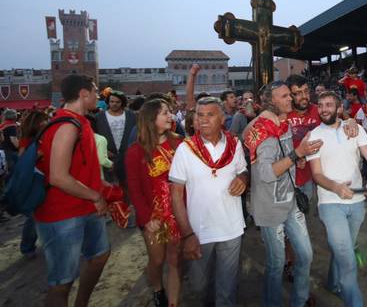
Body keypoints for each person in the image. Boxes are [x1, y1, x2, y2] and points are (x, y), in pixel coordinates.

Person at [34, 74, 109, 307]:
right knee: (62, 282)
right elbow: (58, 176)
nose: (98, 95)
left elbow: (81, 167)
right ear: (83, 94)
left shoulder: (81, 122)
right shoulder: (67, 125)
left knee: (99, 256)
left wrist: (102, 188)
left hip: (84, 207)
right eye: (95, 91)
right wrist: (95, 195)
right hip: (62, 214)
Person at [244, 81, 320, 307]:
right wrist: (297, 153)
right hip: (270, 208)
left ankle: (299, 300)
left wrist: (297, 157)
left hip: (290, 202)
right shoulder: (263, 129)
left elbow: (286, 158)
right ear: (271, 101)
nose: (291, 99)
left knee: (305, 255)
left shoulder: (283, 124)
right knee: (276, 262)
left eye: (290, 95)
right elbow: (267, 173)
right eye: (285, 96)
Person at [170, 97, 249, 306]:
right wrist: (187, 235)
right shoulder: (185, 149)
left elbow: (243, 170)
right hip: (199, 231)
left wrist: (243, 179)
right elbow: (176, 195)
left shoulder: (235, 144)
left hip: (231, 228)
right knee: (199, 288)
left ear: (222, 118)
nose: (203, 120)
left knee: (227, 289)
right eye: (199, 115)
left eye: (210, 115)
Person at [307, 91, 367, 306]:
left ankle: (332, 283)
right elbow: (317, 175)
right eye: (320, 105)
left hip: (357, 202)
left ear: (339, 108)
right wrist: (336, 188)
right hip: (330, 203)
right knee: (348, 259)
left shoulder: (355, 130)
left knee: (345, 248)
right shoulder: (313, 136)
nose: (324, 109)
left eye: (329, 104)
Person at [126, 99, 182, 307]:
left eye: (170, 112)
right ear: (151, 119)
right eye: (165, 113)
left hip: (178, 213)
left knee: (175, 260)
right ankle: (158, 289)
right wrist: (146, 217)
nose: (170, 116)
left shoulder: (180, 143)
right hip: (153, 217)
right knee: (157, 260)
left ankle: (173, 303)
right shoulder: (135, 152)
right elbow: (134, 188)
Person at [17, 110, 49, 258]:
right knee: (33, 216)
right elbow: (22, 158)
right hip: (35, 180)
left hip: (48, 178)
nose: (46, 122)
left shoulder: (46, 135)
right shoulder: (27, 139)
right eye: (43, 120)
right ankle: (27, 247)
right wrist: (37, 155)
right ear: (36, 122)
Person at [95, 90, 136, 186]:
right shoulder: (99, 117)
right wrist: (103, 150)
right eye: (112, 102)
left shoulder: (131, 116)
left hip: (127, 155)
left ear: (122, 103)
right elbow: (95, 136)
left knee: (128, 185)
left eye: (117, 102)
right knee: (110, 187)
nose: (114, 104)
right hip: (107, 156)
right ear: (108, 102)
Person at [0, 109, 19, 174]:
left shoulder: (2, 125)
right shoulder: (11, 126)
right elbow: (13, 140)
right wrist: (20, 147)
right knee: (12, 171)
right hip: (10, 151)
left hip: (3, 150)